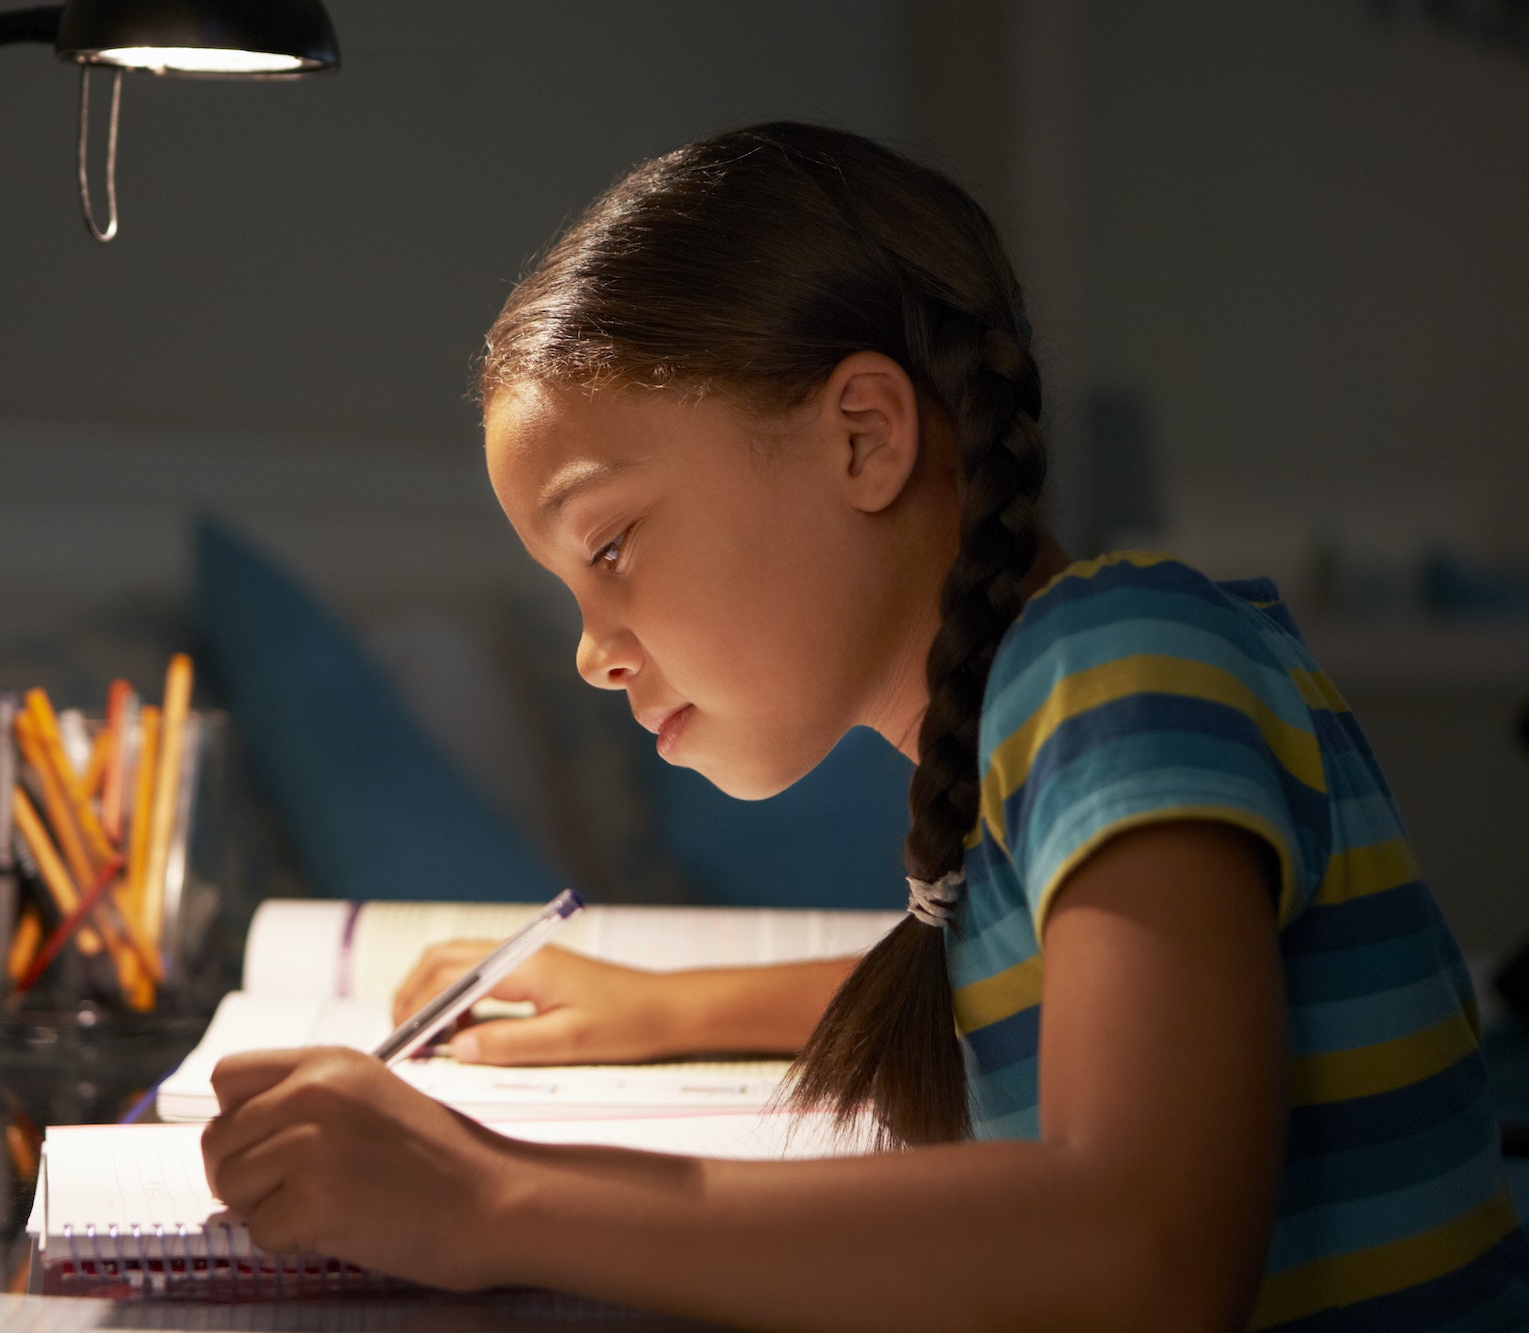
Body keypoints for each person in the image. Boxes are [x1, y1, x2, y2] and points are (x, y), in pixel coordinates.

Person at [200, 123, 1529, 1331]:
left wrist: (485, 1195)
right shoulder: (1047, 701)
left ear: (863, 439)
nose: (592, 652)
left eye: (610, 543)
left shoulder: (1124, 660)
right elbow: (1044, 991)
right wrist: (659, 1008)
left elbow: (1147, 1249)